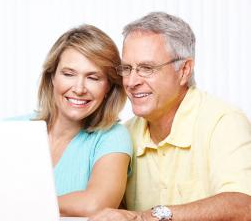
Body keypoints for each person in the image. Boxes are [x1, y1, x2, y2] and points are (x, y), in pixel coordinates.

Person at [90, 12, 251, 221]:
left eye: (147, 68)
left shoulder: (224, 121)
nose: (131, 82)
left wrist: (148, 217)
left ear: (184, 70)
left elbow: (243, 206)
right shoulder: (122, 135)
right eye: (127, 69)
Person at [33, 24, 132, 217]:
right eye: (69, 74)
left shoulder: (113, 137)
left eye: (93, 78)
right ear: (52, 76)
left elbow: (96, 204)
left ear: (108, 88)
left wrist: (22, 203)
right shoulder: (14, 128)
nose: (79, 88)